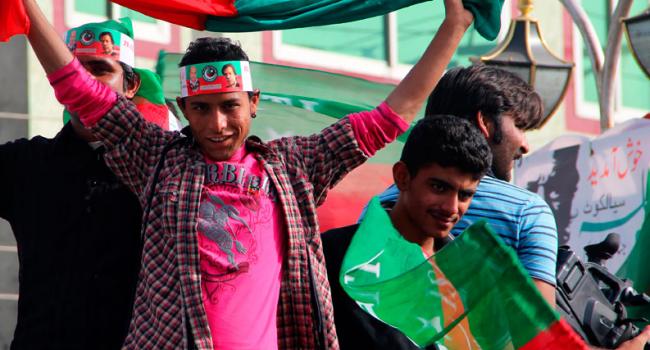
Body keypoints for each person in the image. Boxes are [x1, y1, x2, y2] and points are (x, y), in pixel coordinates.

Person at [19, 0, 475, 348]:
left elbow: (389, 117)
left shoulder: (294, 168)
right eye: (201, 109)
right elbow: (78, 88)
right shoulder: (156, 159)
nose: (217, 125)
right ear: (183, 109)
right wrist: (27, 9)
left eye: (229, 107)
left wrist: (453, 27)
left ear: (253, 104)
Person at [0, 18, 145, 350]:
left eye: (99, 70)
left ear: (131, 84)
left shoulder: (162, 168)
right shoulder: (27, 164)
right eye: (76, 72)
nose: (85, 85)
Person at [368, 64, 560, 306]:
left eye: (465, 195)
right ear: (485, 123)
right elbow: (539, 337)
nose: (525, 145)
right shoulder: (528, 212)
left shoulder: (376, 207)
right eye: (520, 126)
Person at [323, 115, 492, 349]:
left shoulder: (470, 276)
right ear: (402, 176)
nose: (452, 208)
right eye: (439, 187)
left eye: (465, 195)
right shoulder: (334, 255)